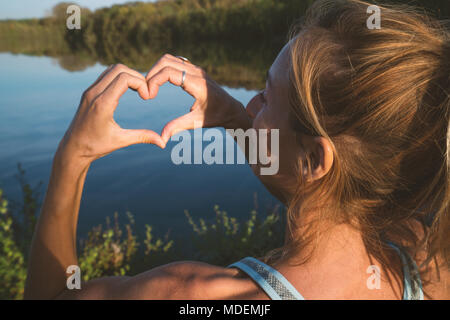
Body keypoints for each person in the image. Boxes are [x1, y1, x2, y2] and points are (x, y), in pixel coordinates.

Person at [24, 0, 449, 299]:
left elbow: (57, 295)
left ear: (315, 160)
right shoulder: (426, 263)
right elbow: (314, 183)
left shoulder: (192, 294)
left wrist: (73, 157)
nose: (249, 105)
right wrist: (228, 114)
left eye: (265, 97)